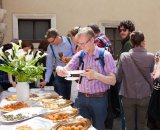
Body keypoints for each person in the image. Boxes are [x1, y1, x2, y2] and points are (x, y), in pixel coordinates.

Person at [56, 27, 116, 130]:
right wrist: (59, 69)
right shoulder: (80, 55)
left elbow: (113, 80)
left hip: (99, 99)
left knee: (99, 127)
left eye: (83, 43)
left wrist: (96, 75)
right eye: (79, 44)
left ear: (92, 40)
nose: (80, 46)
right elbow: (66, 69)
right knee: (79, 127)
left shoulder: (105, 55)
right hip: (81, 98)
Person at [117, 31, 154, 130]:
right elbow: (151, 73)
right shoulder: (151, 56)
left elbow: (119, 77)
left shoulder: (124, 56)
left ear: (131, 43)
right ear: (143, 42)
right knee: (142, 124)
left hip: (128, 95)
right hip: (144, 95)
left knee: (129, 125)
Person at [38, 28, 76, 100]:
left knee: (71, 98)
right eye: (50, 42)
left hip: (71, 73)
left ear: (57, 36)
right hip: (59, 75)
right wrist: (46, 80)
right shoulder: (51, 47)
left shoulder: (70, 41)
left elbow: (77, 55)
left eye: (52, 41)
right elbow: (49, 64)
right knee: (60, 98)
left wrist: (69, 59)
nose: (52, 43)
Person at [147, 50, 160, 129]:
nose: (156, 57)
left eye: (158, 56)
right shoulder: (155, 65)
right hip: (154, 92)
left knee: (155, 113)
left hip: (156, 94)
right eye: (156, 55)